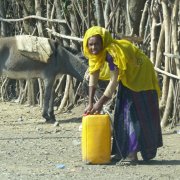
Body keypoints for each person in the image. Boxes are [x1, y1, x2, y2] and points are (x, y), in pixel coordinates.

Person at [83, 26, 163, 165]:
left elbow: (113, 82)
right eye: (90, 44)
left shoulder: (112, 54)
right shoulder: (94, 55)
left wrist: (100, 103)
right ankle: (122, 152)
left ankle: (132, 155)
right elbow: (93, 74)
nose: (93, 47)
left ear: (104, 43)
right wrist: (90, 102)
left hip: (141, 74)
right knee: (122, 109)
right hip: (128, 76)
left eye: (97, 44)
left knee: (131, 112)